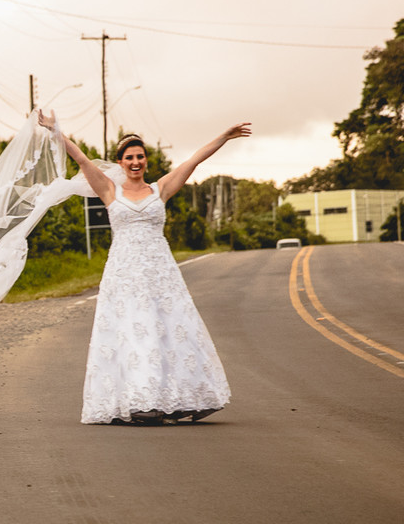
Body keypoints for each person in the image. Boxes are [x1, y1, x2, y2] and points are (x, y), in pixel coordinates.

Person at [37, 111, 251, 424]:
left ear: (146, 161)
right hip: (124, 273)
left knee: (169, 330)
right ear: (120, 162)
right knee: (134, 331)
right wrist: (56, 131)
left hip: (160, 271)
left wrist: (225, 136)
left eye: (140, 157)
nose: (135, 162)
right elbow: (82, 160)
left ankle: (184, 397)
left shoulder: (160, 189)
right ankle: (140, 401)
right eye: (129, 158)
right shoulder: (110, 190)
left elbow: (193, 161)